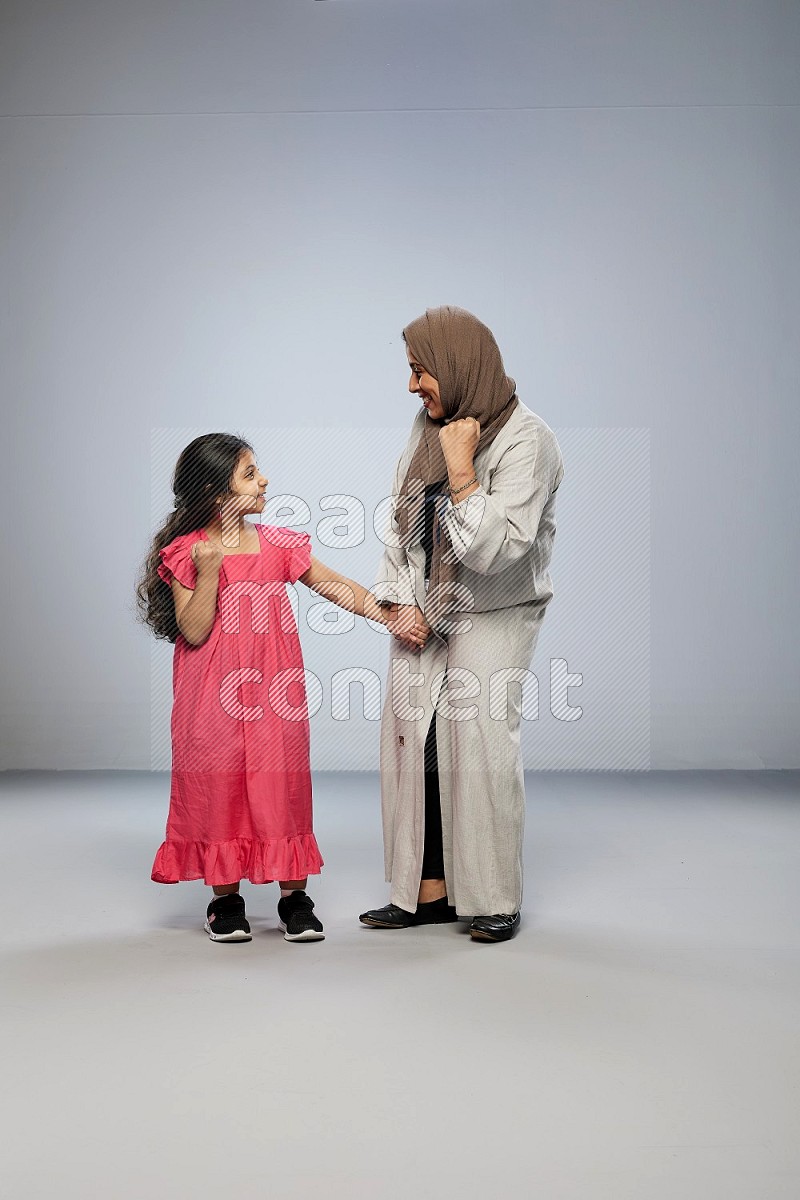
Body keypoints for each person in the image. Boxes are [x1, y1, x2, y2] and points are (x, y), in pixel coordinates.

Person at [136, 432, 411, 944]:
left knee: (280, 788)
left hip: (273, 699)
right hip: (208, 704)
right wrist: (211, 569)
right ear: (218, 493)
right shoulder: (187, 552)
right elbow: (193, 630)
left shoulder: (279, 545)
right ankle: (225, 902)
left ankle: (295, 899)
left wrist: (388, 614)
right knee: (219, 789)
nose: (263, 480)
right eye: (249, 473)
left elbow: (337, 588)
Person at [361, 306, 564, 943]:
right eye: (412, 371)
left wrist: (462, 471)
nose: (413, 386)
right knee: (412, 745)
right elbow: (399, 524)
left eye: (421, 371)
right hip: (426, 608)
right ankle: (425, 892)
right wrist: (397, 601)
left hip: (494, 610)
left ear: (458, 365)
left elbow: (496, 549)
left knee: (475, 745)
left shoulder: (528, 439)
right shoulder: (430, 426)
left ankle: (493, 897)